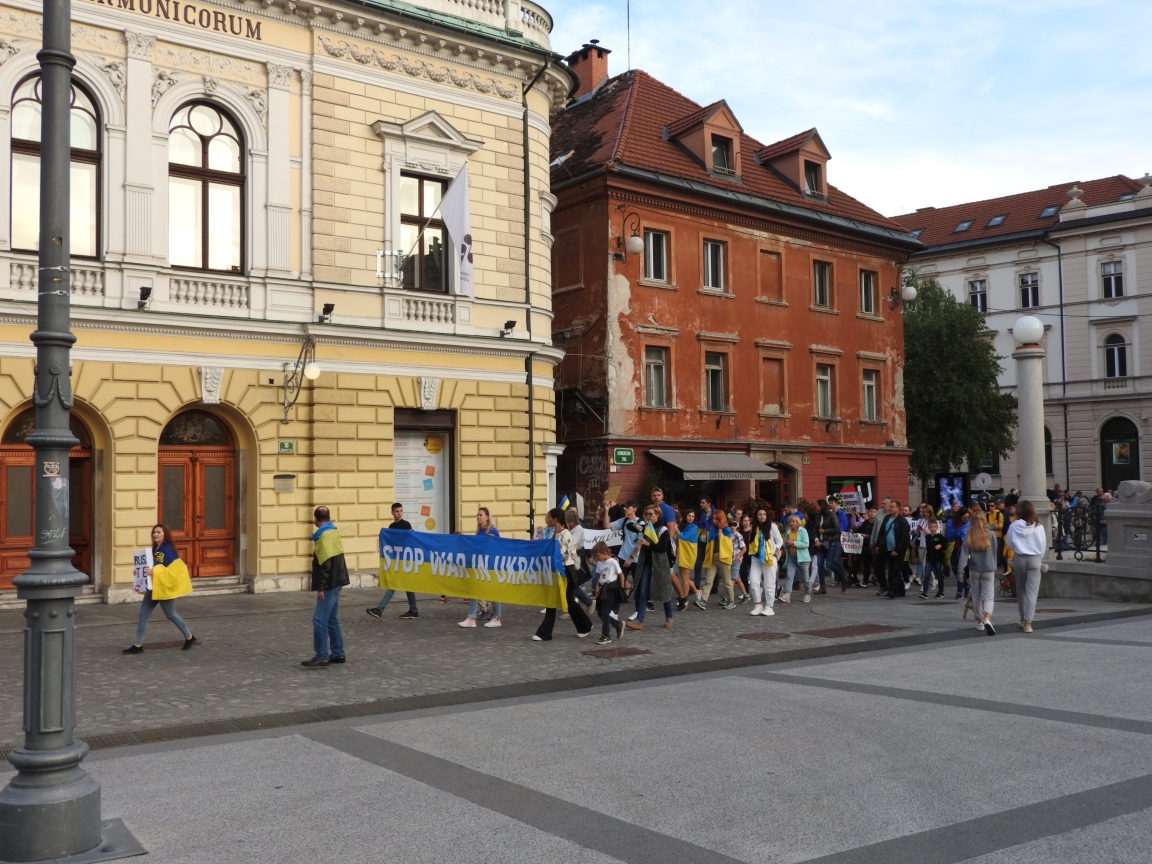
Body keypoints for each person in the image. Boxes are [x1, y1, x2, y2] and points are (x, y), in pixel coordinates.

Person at [123, 523, 195, 654]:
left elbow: (175, 571)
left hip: (163, 588)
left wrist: (155, 572)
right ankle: (138, 645)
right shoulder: (154, 550)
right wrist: (140, 572)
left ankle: (189, 637)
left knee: (171, 614)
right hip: (153, 587)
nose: (155, 534)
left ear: (165, 534)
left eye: (158, 532)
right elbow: (151, 567)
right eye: (154, 532)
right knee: (143, 615)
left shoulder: (167, 551)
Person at [534, 508, 593, 641]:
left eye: (548, 517)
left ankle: (546, 632)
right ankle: (584, 626)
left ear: (555, 519)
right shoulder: (554, 534)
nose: (546, 519)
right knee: (561, 600)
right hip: (557, 570)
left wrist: (555, 552)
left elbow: (566, 554)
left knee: (567, 600)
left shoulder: (566, 534)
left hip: (566, 571)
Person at [302, 506, 349, 667]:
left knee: (319, 619)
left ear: (315, 518)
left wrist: (320, 587)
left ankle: (321, 655)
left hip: (329, 584)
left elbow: (325, 564)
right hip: (338, 581)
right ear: (328, 517)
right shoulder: (334, 532)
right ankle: (338, 653)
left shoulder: (323, 536)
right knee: (331, 619)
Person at [626, 505, 676, 631]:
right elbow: (628, 526)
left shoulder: (663, 529)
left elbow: (662, 548)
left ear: (657, 515)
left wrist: (648, 543)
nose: (648, 516)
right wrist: (635, 526)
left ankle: (669, 616)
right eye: (647, 514)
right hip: (646, 565)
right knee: (643, 592)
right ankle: (640, 620)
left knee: (664, 591)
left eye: (651, 514)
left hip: (659, 565)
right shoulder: (645, 527)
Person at [368, 502, 419, 621]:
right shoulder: (391, 527)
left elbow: (409, 539)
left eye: (401, 511)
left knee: (393, 584)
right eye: (397, 511)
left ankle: (379, 609)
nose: (399, 513)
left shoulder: (406, 524)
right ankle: (414, 610)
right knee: (408, 585)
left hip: (405, 560)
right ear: (392, 512)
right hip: (397, 559)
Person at [1006, 500, 1046, 634]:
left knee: (1021, 589)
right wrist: (1039, 559)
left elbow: (1010, 544)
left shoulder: (1013, 526)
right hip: (1034, 558)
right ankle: (1028, 623)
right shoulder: (1038, 526)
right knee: (1032, 592)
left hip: (1020, 558)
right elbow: (1042, 545)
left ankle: (1022, 617)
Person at [460, 507, 503, 628]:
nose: (478, 517)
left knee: (494, 592)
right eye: (477, 515)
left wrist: (492, 540)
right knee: (474, 589)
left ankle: (497, 617)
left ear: (487, 517)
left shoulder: (493, 530)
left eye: (481, 515)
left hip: (491, 565)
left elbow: (499, 546)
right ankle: (471, 617)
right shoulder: (479, 531)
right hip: (480, 565)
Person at [957, 510, 998, 635]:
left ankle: (980, 621)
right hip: (989, 567)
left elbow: (963, 555)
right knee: (989, 595)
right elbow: (995, 550)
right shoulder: (991, 534)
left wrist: (960, 572)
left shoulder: (969, 535)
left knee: (976, 595)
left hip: (974, 568)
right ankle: (987, 618)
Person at [747, 507, 782, 614]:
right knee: (753, 582)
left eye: (764, 514)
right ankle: (758, 604)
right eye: (759, 514)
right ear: (756, 516)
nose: (762, 516)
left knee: (769, 584)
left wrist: (774, 550)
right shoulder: (753, 527)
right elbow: (750, 540)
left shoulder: (772, 526)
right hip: (756, 558)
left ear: (767, 516)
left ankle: (769, 607)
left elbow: (779, 541)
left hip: (769, 558)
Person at [698, 510, 736, 609]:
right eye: (713, 518)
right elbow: (708, 542)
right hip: (713, 558)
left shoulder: (726, 530)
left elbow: (726, 544)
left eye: (716, 519)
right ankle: (703, 600)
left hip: (723, 558)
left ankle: (731, 601)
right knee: (708, 580)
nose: (714, 520)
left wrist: (720, 531)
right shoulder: (712, 530)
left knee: (726, 582)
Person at [591, 541, 626, 644]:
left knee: (605, 612)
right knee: (600, 613)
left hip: (611, 589)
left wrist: (621, 588)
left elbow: (621, 575)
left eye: (598, 555)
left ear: (605, 552)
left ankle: (606, 636)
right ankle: (617, 624)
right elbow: (599, 575)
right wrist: (597, 587)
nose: (597, 558)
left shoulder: (613, 562)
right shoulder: (600, 563)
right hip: (602, 589)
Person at [876, 499, 910, 598]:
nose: (890, 508)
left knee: (896, 570)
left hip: (898, 550)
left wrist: (897, 550)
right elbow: (882, 532)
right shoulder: (887, 518)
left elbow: (904, 537)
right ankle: (901, 590)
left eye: (892, 507)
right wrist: (878, 545)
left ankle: (892, 590)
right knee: (892, 570)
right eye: (889, 506)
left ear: (898, 508)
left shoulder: (902, 521)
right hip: (887, 548)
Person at [782, 513, 812, 602]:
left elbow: (806, 544)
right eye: (790, 522)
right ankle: (787, 594)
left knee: (805, 577)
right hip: (791, 556)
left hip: (803, 558)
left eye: (793, 521)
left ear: (797, 522)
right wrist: (785, 544)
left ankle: (807, 593)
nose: (791, 523)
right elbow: (786, 543)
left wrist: (794, 543)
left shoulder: (802, 531)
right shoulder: (788, 531)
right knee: (789, 576)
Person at [675, 510, 701, 610]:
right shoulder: (685, 526)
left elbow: (684, 537)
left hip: (689, 555)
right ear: (686, 516)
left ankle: (684, 599)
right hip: (683, 554)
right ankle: (697, 592)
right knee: (684, 577)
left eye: (693, 516)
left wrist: (677, 530)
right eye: (689, 516)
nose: (691, 518)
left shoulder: (694, 527)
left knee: (685, 578)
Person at [918, 519, 947, 600]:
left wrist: (941, 546)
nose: (933, 528)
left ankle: (941, 591)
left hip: (938, 559)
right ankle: (925, 592)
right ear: (928, 527)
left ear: (937, 527)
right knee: (926, 575)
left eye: (934, 527)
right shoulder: (927, 537)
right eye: (931, 527)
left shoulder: (940, 537)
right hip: (929, 559)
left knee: (939, 575)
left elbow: (945, 545)